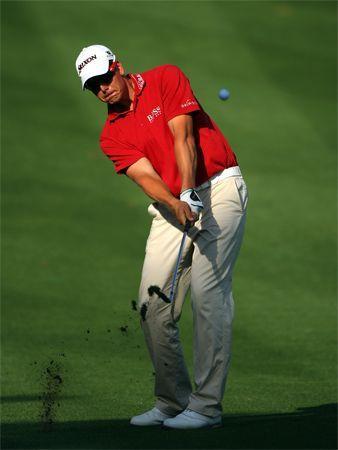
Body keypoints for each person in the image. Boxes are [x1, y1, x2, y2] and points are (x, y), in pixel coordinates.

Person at [75, 44, 248, 430]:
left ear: (118, 66)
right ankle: (172, 401)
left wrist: (188, 192)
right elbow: (146, 177)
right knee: (150, 304)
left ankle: (205, 407)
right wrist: (174, 202)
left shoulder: (165, 78)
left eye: (105, 78)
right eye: (93, 87)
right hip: (172, 205)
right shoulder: (112, 136)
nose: (102, 89)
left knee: (207, 294)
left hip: (218, 189)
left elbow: (183, 137)